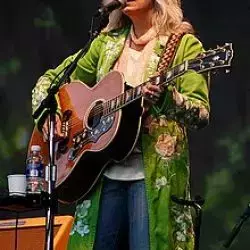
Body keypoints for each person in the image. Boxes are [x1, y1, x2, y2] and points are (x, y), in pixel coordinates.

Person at [32, 0, 210, 249]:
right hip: (101, 176)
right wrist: (50, 115)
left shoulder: (183, 45)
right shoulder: (106, 44)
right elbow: (50, 81)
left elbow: (200, 113)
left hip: (151, 179)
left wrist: (168, 98)